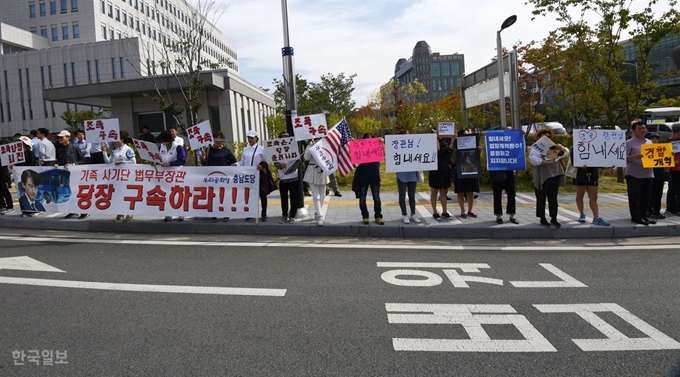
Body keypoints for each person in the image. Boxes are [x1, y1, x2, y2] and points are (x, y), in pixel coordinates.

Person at [530, 128, 569, 228]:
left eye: (549, 137)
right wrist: (546, 162)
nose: (547, 138)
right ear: (539, 138)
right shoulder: (536, 148)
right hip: (542, 175)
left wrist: (561, 148)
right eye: (544, 137)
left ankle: (554, 218)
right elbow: (534, 160)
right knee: (541, 197)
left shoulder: (555, 147)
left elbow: (566, 153)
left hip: (554, 174)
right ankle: (542, 218)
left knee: (553, 198)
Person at [625, 121, 656, 225]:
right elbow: (622, 159)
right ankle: (635, 217)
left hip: (648, 173)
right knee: (635, 197)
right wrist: (634, 157)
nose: (642, 130)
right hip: (634, 174)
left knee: (646, 197)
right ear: (633, 131)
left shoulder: (649, 142)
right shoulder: (629, 143)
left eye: (644, 128)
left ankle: (644, 215)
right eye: (639, 129)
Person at [202, 131, 237, 222]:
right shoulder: (208, 149)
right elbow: (204, 163)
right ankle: (214, 214)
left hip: (223, 177)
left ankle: (226, 213)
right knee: (213, 196)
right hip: (211, 177)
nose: (218, 142)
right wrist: (203, 157)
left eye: (220, 140)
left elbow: (234, 162)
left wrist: (229, 168)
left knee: (224, 196)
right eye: (216, 140)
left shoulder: (226, 151)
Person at [235, 130, 268, 221]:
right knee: (250, 195)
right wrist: (236, 164)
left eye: (252, 138)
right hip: (248, 175)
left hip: (259, 175)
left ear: (256, 138)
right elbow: (243, 162)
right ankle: (251, 213)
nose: (250, 139)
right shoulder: (245, 149)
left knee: (262, 194)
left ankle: (264, 213)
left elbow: (266, 161)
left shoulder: (261, 149)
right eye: (248, 138)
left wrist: (261, 166)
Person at [155, 130, 188, 221]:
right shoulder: (161, 146)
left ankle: (181, 213)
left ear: (168, 140)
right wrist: (155, 162)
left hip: (177, 173)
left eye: (163, 140)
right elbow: (158, 157)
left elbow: (183, 160)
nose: (161, 142)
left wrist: (170, 164)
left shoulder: (178, 147)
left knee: (178, 192)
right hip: (165, 174)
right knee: (166, 192)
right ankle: (169, 213)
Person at [571, 149, 610, 226]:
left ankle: (596, 217)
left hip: (592, 174)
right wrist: (579, 165)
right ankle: (582, 214)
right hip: (580, 175)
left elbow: (598, 159)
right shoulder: (576, 146)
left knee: (594, 197)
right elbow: (573, 161)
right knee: (580, 195)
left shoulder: (595, 145)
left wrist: (605, 165)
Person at [55, 130, 87, 219]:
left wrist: (74, 164)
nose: (59, 139)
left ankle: (84, 211)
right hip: (65, 176)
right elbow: (60, 162)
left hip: (75, 175)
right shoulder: (60, 150)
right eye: (59, 137)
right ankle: (72, 211)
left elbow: (83, 160)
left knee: (78, 193)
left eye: (62, 137)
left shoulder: (74, 148)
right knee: (68, 193)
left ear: (68, 138)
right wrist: (57, 164)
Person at [103, 137, 136, 222]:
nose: (114, 141)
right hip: (117, 177)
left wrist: (122, 162)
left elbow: (133, 162)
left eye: (116, 139)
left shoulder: (128, 149)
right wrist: (104, 152)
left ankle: (129, 213)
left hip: (127, 176)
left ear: (122, 139)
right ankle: (120, 212)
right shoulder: (115, 151)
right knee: (118, 195)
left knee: (127, 194)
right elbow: (108, 161)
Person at [353, 133, 383, 225]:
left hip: (374, 177)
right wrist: (355, 145)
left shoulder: (377, 148)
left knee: (376, 198)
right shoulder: (361, 149)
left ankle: (378, 216)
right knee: (362, 199)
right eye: (366, 140)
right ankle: (365, 216)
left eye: (370, 140)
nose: (368, 142)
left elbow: (384, 153)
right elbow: (354, 156)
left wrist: (382, 142)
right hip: (363, 177)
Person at [273, 132, 303, 224]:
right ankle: (284, 215)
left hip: (293, 178)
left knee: (294, 198)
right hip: (282, 179)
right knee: (283, 198)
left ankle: (292, 216)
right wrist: (280, 166)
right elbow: (275, 162)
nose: (284, 140)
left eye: (286, 138)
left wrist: (289, 170)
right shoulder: (276, 149)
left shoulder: (293, 148)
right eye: (282, 138)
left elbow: (298, 162)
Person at [453, 129, 480, 219]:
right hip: (460, 169)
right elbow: (452, 157)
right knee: (460, 191)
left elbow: (475, 155)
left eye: (469, 135)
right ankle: (462, 210)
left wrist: (479, 150)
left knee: (470, 190)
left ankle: (470, 210)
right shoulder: (455, 144)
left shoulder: (473, 143)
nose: (467, 137)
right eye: (465, 135)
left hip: (471, 168)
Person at [396, 131, 421, 224]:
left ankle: (413, 214)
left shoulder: (414, 146)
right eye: (406, 135)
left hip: (412, 175)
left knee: (412, 196)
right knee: (402, 196)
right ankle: (404, 214)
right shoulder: (397, 147)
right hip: (401, 175)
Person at [303, 138, 329, 226]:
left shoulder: (325, 144)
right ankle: (320, 215)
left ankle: (317, 212)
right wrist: (311, 147)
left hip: (322, 170)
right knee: (315, 195)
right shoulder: (310, 145)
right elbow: (306, 157)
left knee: (323, 194)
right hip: (312, 170)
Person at [429, 137, 455, 221]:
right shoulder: (431, 140)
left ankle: (444, 212)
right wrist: (435, 139)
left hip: (445, 169)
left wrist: (453, 139)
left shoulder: (447, 140)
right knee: (434, 191)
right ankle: (435, 212)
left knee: (443, 191)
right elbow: (438, 151)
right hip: (434, 169)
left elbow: (449, 151)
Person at [647, 133, 667, 220]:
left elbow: (667, 161)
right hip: (650, 175)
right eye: (652, 138)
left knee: (658, 195)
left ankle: (656, 211)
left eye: (656, 138)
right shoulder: (646, 150)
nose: (655, 140)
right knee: (651, 194)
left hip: (660, 175)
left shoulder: (662, 150)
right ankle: (649, 210)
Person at [665, 124, 680, 216]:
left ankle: (677, 208)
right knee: (674, 189)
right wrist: (675, 161)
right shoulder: (672, 142)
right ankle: (671, 208)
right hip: (674, 169)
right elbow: (667, 158)